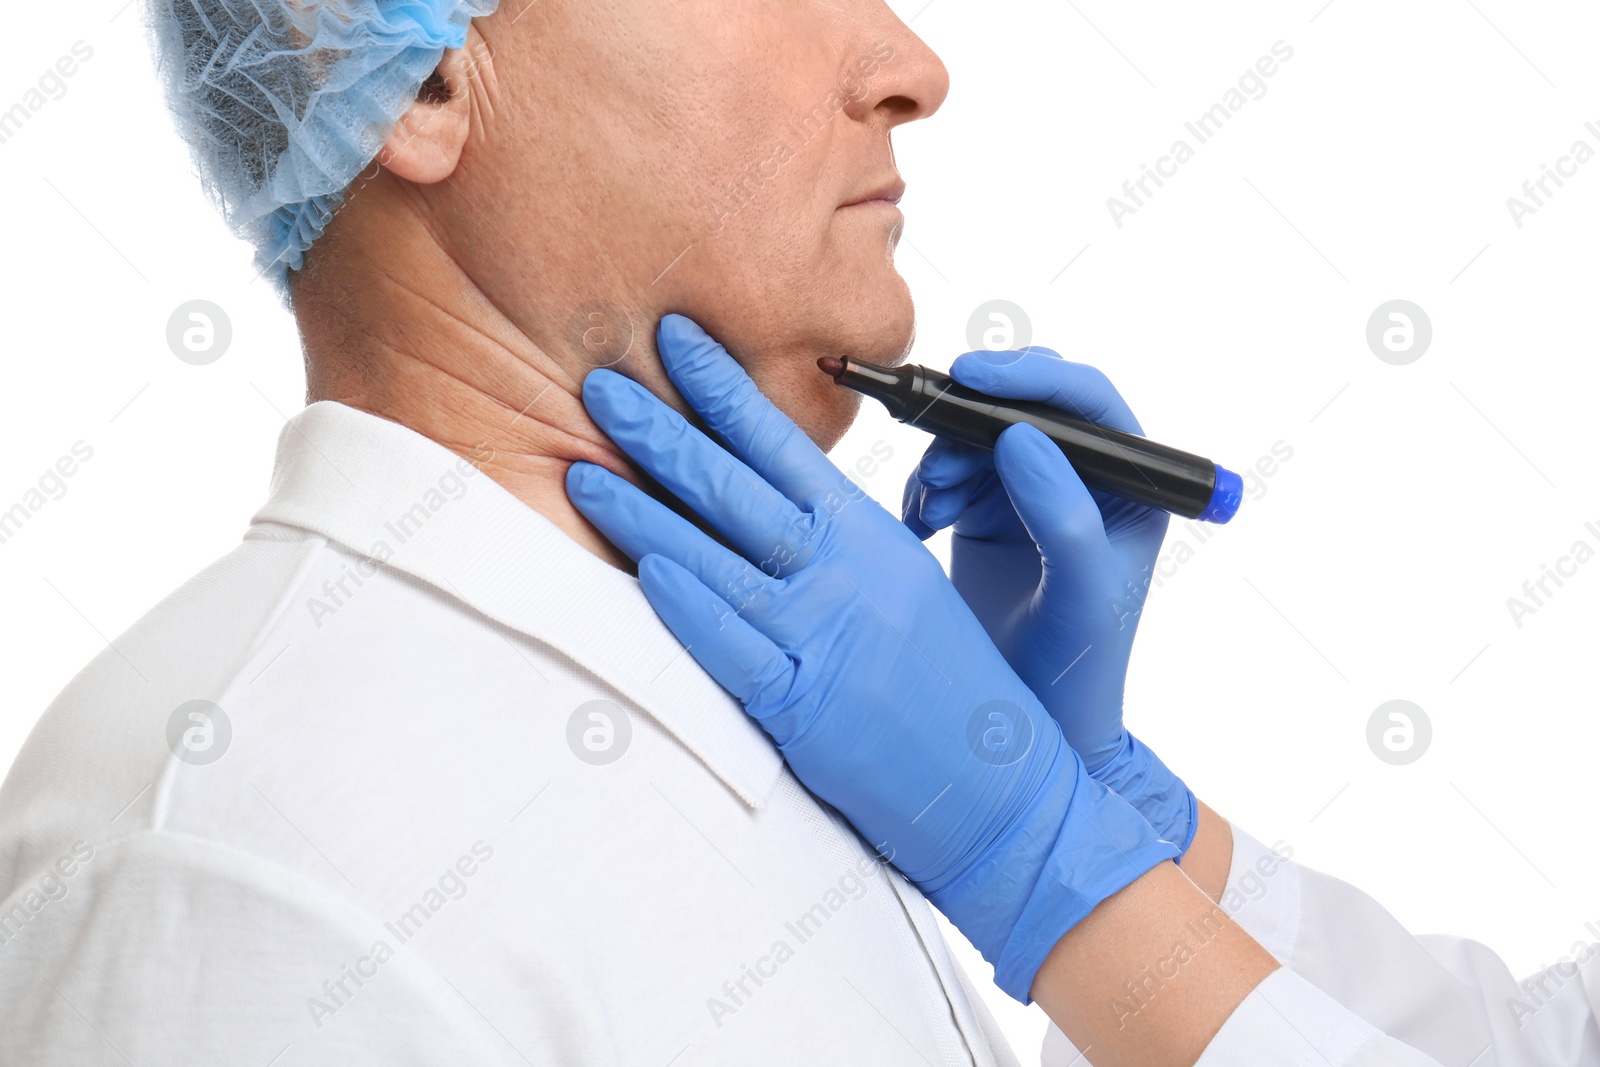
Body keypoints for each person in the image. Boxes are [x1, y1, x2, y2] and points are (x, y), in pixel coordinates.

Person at [0, 2, 1587, 1066]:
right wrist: (1096, 858)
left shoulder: (724, 721)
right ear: (417, 75)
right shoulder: (232, 862)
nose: (912, 60)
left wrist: (1097, 853)